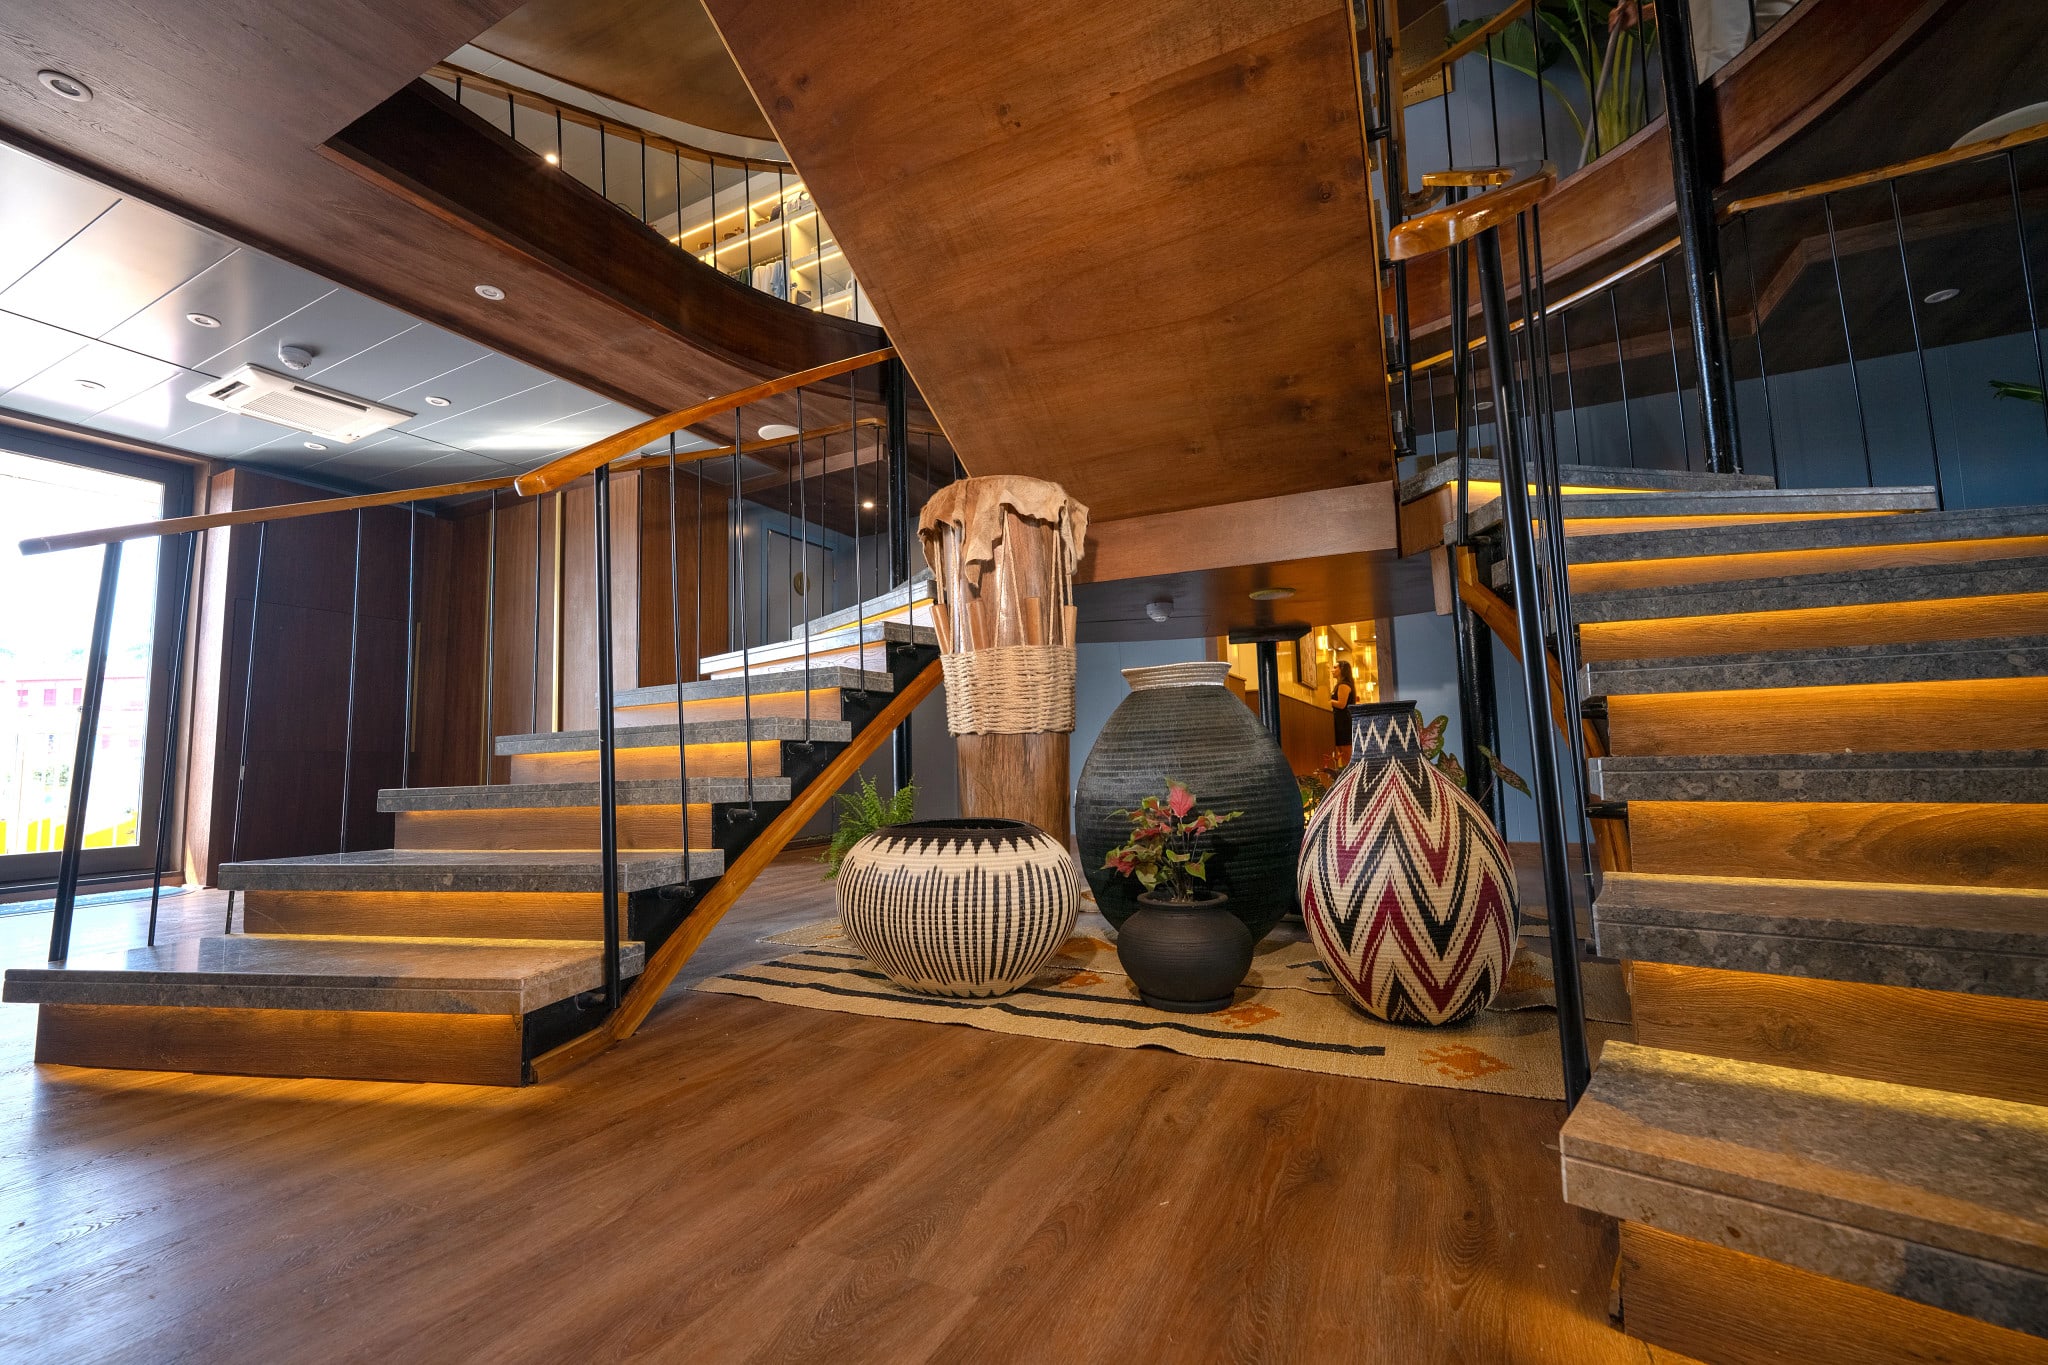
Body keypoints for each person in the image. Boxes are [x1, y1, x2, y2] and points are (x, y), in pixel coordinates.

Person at [1329, 660, 1356, 748]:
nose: (1332, 670)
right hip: (1342, 721)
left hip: (1343, 722)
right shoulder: (1341, 684)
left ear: (1342, 670)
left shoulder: (1343, 685)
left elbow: (1341, 704)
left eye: (1335, 667)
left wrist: (1328, 702)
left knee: (1345, 751)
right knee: (1343, 751)